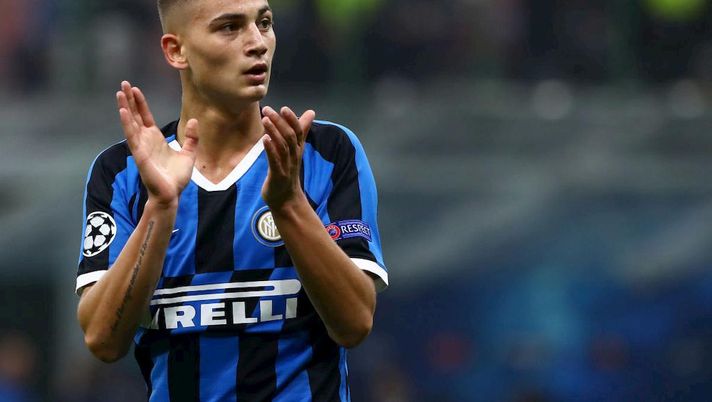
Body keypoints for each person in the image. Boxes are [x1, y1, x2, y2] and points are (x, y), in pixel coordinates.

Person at [75, 0, 388, 400]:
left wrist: (288, 204)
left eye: (264, 22)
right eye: (230, 27)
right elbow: (103, 340)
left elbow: (355, 323)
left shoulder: (324, 153)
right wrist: (160, 208)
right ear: (176, 50)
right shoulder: (123, 172)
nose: (257, 42)